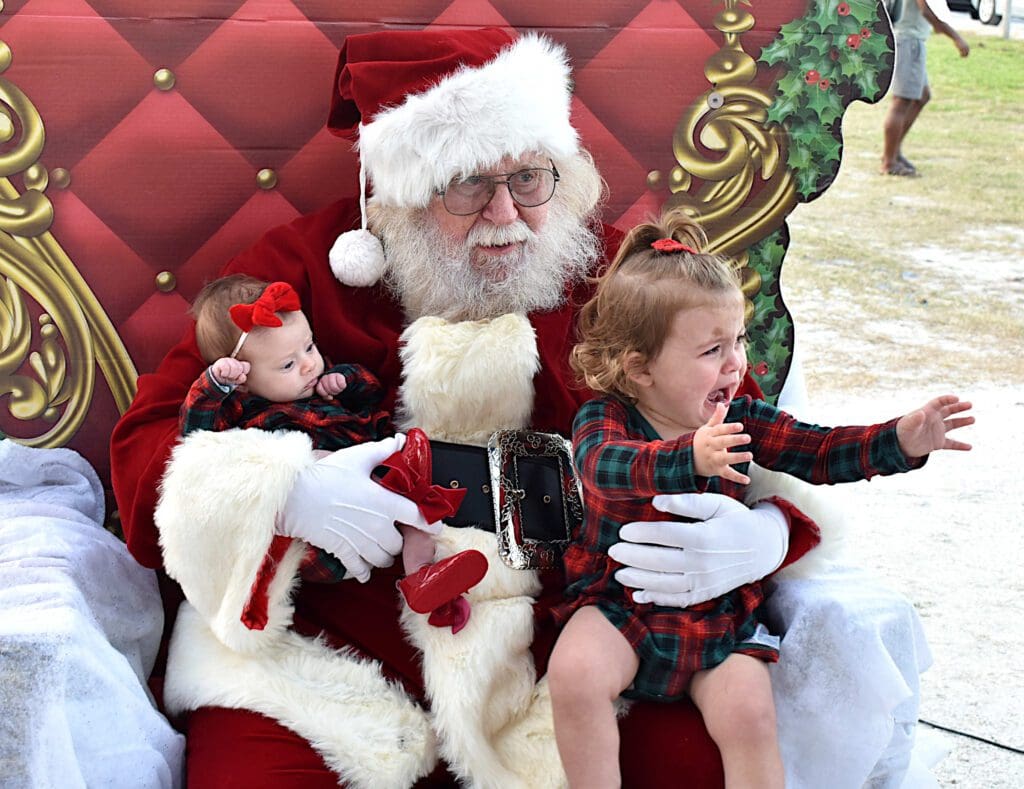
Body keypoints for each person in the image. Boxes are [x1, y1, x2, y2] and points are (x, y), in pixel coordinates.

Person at [110, 28, 909, 788]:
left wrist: (771, 532)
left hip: (570, 656)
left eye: (528, 179)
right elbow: (149, 444)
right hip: (324, 662)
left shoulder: (622, 280)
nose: (504, 215)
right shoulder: (302, 271)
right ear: (400, 194)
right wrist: (284, 491)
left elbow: (748, 421)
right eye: (467, 185)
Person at [547, 209, 974, 788]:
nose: (735, 364)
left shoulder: (742, 419)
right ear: (640, 367)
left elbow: (819, 450)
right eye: (712, 350)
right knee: (574, 674)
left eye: (739, 340)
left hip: (717, 614)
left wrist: (899, 440)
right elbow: (603, 468)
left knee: (750, 712)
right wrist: (688, 456)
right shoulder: (606, 418)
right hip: (618, 605)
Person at [181, 274, 486, 631]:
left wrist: (345, 381)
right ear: (244, 382)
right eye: (287, 365)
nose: (309, 364)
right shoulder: (245, 413)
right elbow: (196, 436)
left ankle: (423, 578)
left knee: (417, 511)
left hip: (379, 489)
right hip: (316, 539)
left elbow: (372, 393)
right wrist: (214, 385)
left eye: (309, 347)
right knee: (307, 464)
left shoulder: (318, 386)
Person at [881, 0, 969, 176]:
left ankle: (894, 151)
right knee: (901, 102)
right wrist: (955, 37)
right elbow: (925, 10)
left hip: (908, 38)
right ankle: (889, 161)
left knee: (922, 96)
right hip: (908, 40)